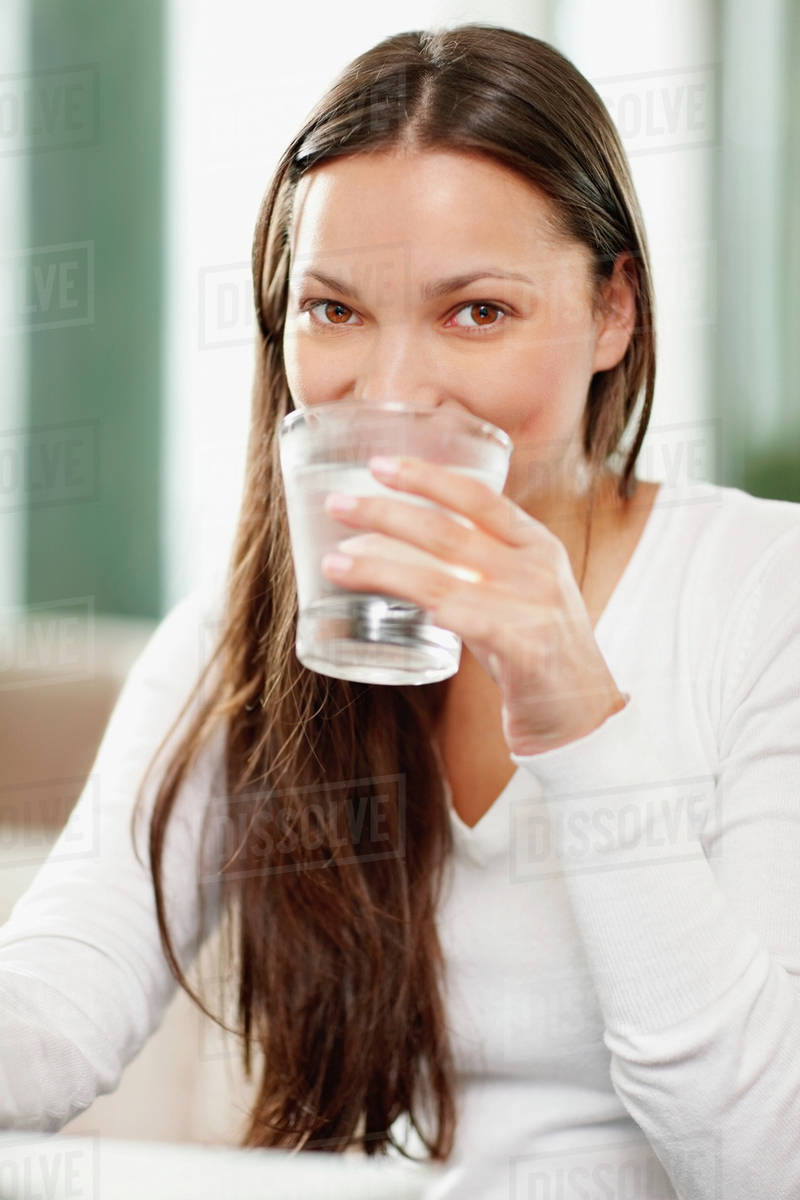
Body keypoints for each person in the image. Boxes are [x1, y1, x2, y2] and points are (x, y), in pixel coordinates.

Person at [2, 22, 800, 1199]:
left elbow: (761, 1161)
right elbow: (57, 1007)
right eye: (333, 311)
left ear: (612, 312)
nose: (388, 395)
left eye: (475, 311)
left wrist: (575, 707)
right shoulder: (245, 633)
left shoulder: (760, 594)